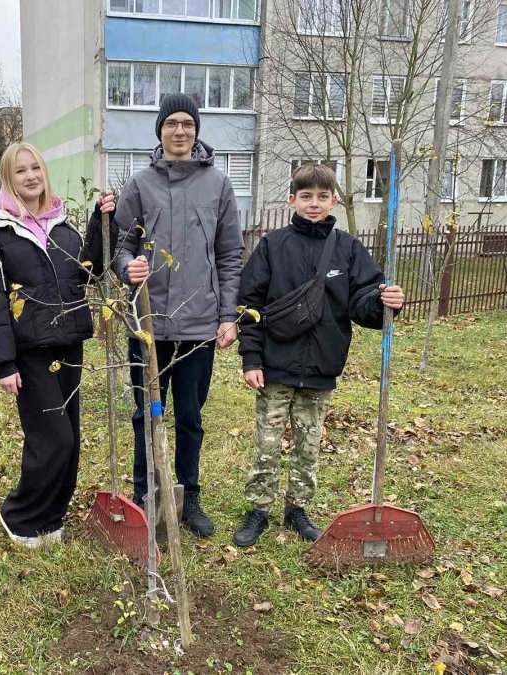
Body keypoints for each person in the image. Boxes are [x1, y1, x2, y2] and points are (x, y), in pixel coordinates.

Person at [233, 163, 405, 547]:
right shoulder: (272, 246)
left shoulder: (348, 249)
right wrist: (251, 359)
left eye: (323, 197)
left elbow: (363, 302)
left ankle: (297, 509)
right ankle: (258, 510)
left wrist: (385, 301)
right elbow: (250, 306)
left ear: (333, 202)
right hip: (275, 366)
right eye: (306, 196)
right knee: (267, 443)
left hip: (321, 366)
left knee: (309, 446)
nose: (314, 204)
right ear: (292, 199)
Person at [109, 92, 245, 538]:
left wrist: (227, 315)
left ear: (197, 131)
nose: (180, 131)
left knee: (190, 415)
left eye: (188, 123)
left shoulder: (218, 185)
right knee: (146, 414)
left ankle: (190, 496)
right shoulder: (140, 184)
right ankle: (145, 496)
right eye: (172, 124)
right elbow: (120, 245)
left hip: (199, 325)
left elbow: (229, 256)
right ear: (160, 131)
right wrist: (127, 267)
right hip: (147, 326)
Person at [0, 142, 101, 547]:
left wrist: (101, 223)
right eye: (20, 171)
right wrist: (4, 363)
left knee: (71, 437)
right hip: (30, 353)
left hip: (69, 345)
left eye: (35, 169)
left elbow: (86, 274)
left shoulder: (63, 226)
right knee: (51, 438)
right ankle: (21, 516)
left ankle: (51, 515)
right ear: (9, 178)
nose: (30, 177)